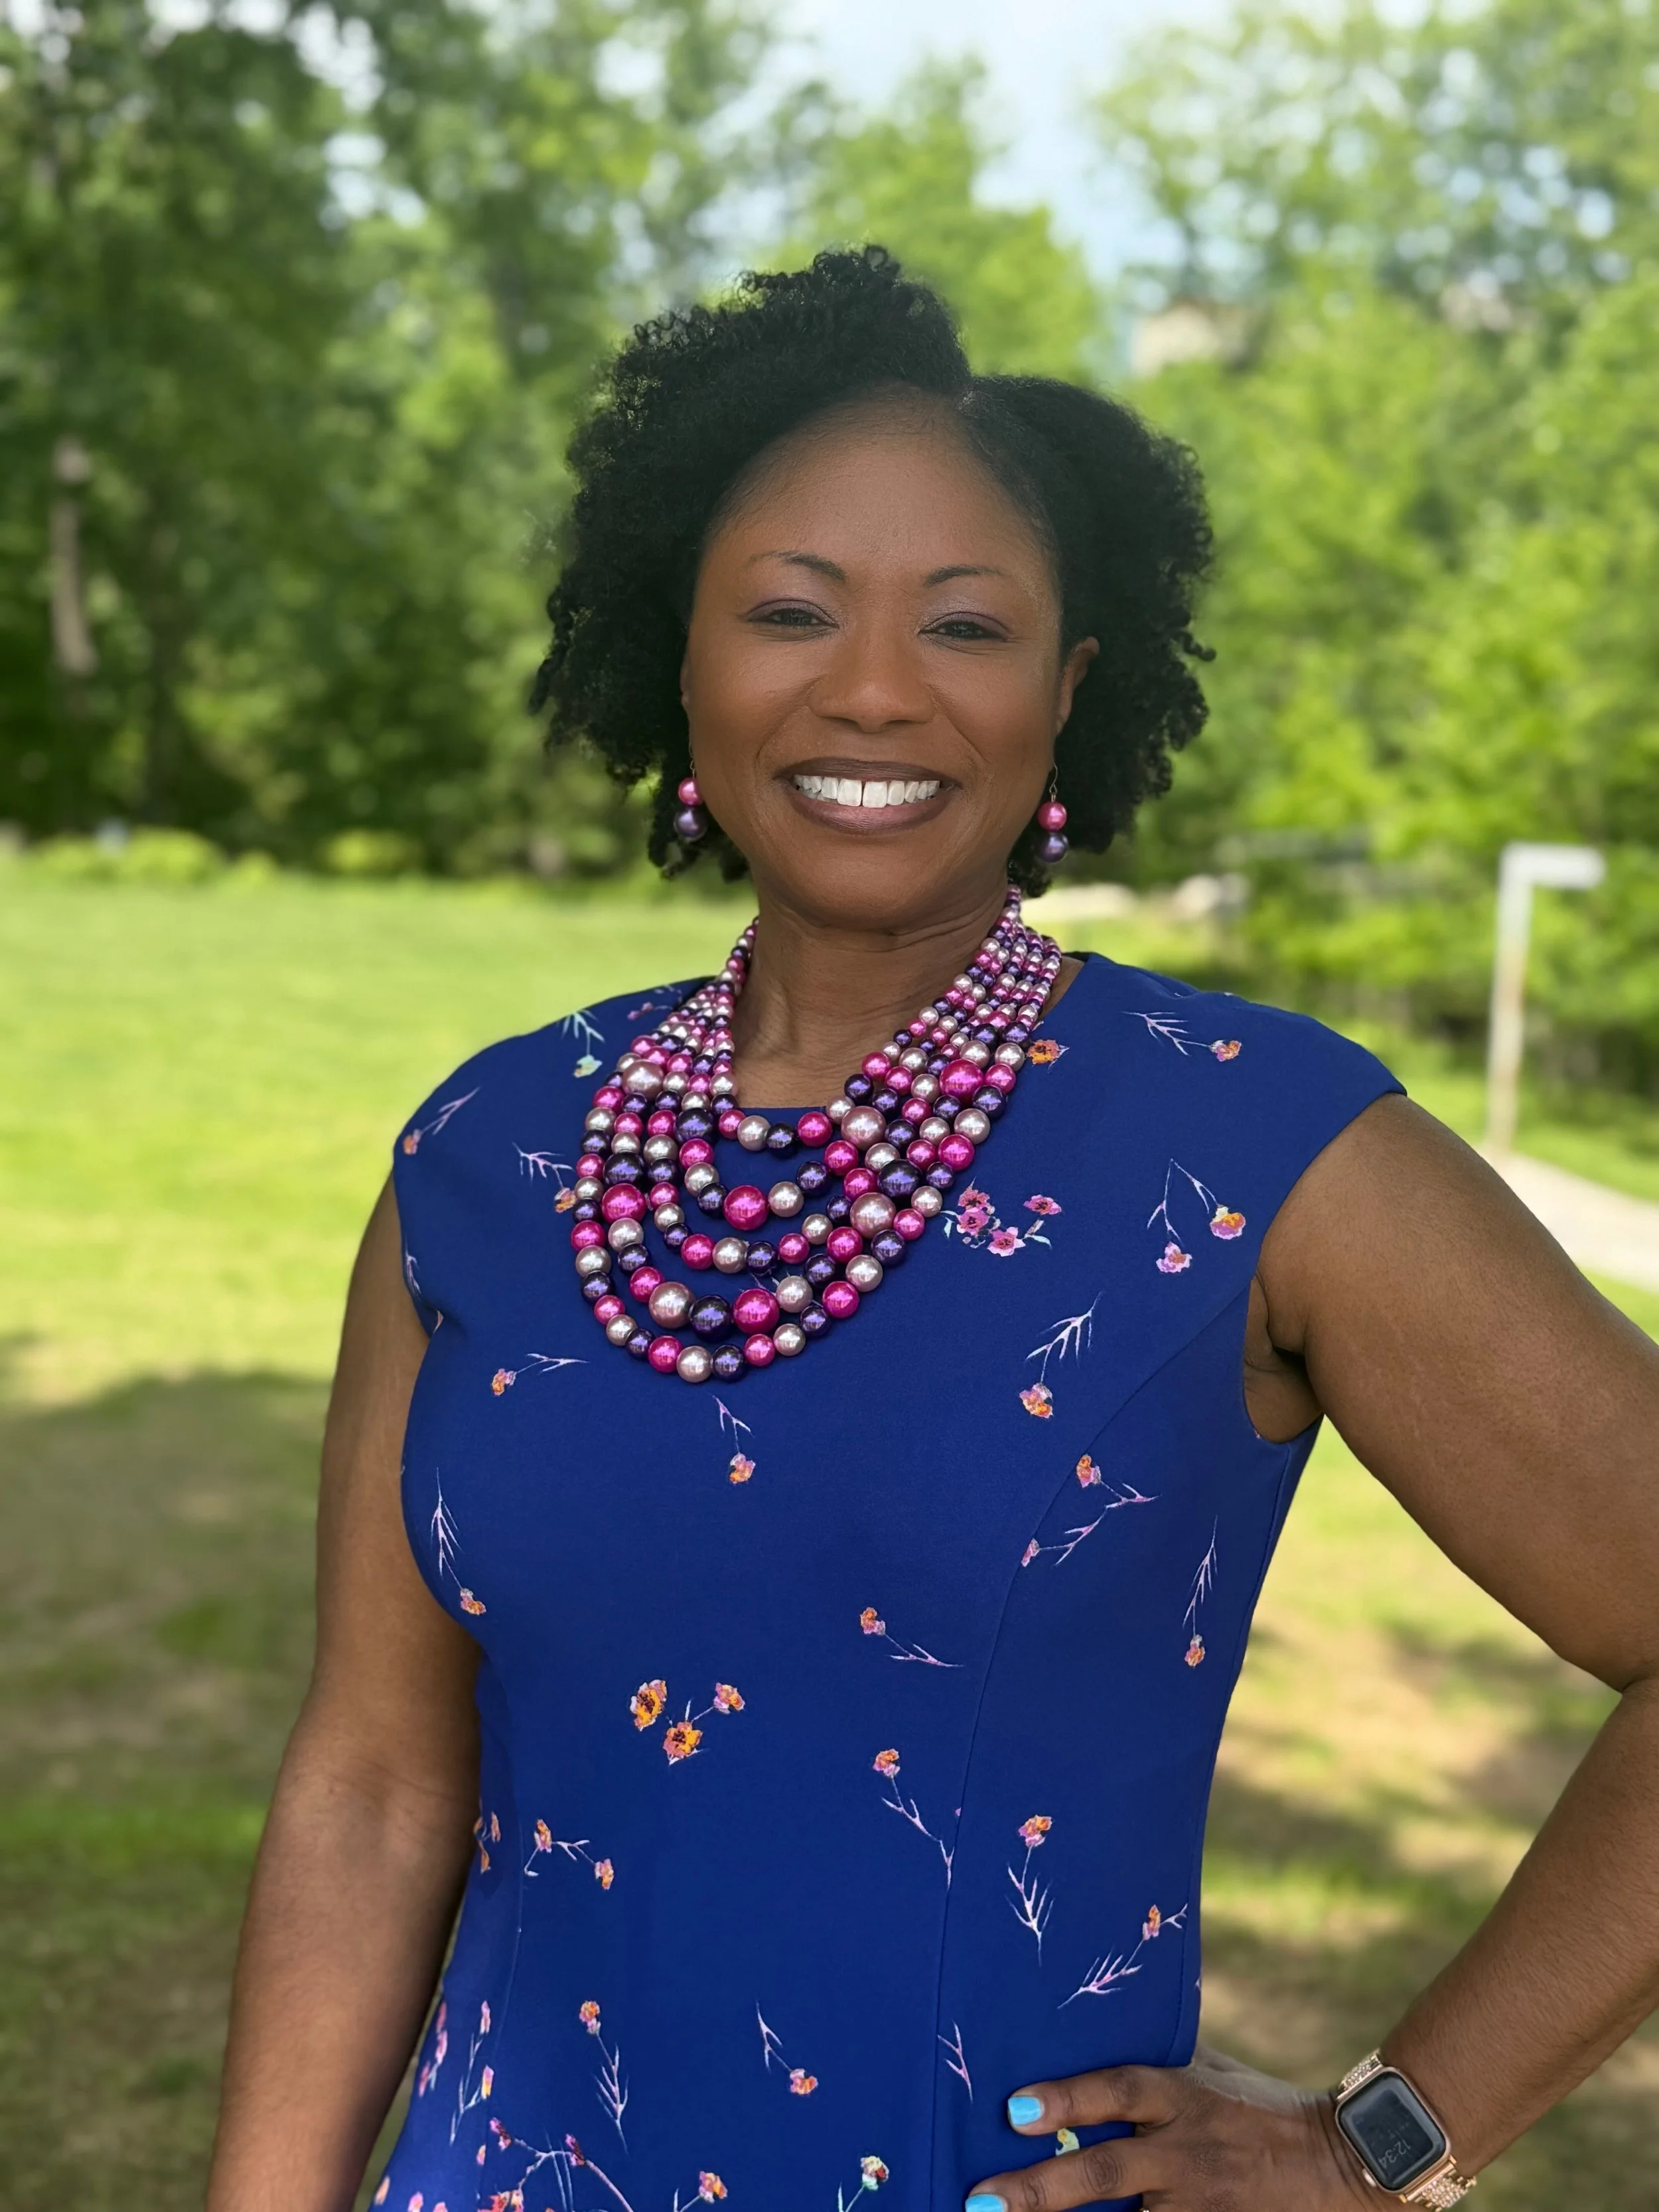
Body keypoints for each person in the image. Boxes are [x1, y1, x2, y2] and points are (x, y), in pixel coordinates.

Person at [206, 249, 1659, 2212]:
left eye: (965, 624)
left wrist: (1378, 2143)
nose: (874, 687)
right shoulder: (489, 1153)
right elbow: (375, 1784)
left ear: (1068, 691)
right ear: (681, 655)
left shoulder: (1253, 1147)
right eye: (789, 610)